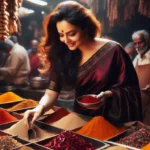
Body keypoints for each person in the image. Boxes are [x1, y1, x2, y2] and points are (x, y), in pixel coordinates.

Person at [24, 1, 142, 126]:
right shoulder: (63, 53)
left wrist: (109, 94)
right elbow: (51, 92)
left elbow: (131, 90)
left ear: (85, 28)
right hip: (81, 121)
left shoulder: (114, 51)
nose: (66, 40)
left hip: (112, 123)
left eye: (72, 34)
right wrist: (40, 108)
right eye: (61, 35)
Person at [132, 30, 150, 125]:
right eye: (135, 43)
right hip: (139, 105)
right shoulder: (137, 59)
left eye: (140, 42)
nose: (137, 46)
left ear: (147, 41)